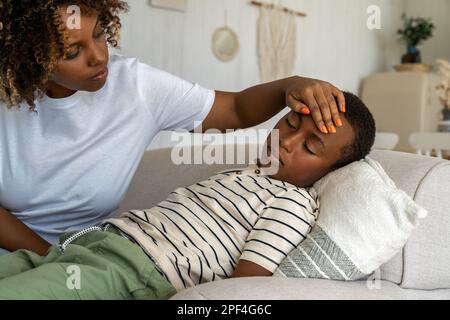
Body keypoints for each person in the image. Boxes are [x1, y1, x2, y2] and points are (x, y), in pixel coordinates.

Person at [0, 1, 347, 256]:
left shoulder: (137, 87)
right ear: (31, 57)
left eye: (99, 34)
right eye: (74, 51)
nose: (99, 57)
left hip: (83, 263)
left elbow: (236, 110)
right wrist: (47, 259)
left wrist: (290, 84)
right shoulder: (6, 101)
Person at [0, 92, 376, 299]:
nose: (288, 141)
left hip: (136, 271)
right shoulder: (244, 174)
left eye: (310, 147)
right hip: (87, 245)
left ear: (330, 171)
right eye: (291, 123)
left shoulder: (292, 204)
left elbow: (245, 287)